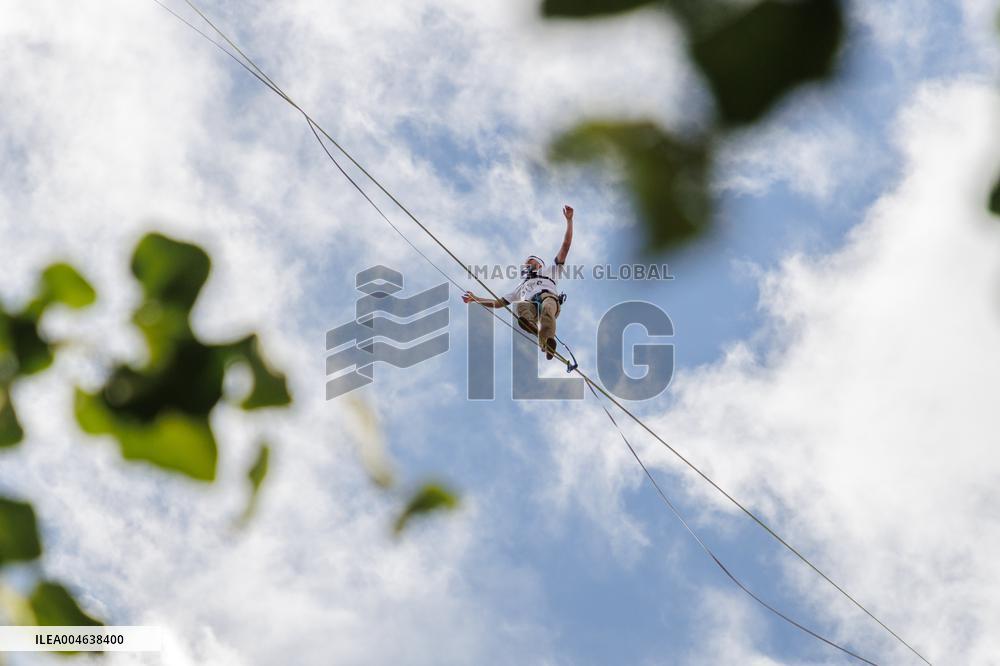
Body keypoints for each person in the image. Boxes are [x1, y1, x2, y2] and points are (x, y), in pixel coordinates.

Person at [463, 205, 574, 360]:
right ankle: (533, 327)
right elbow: (497, 303)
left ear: (539, 264)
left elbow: (566, 246)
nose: (527, 265)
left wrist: (569, 221)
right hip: (531, 306)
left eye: (531, 262)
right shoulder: (520, 288)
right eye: (526, 264)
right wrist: (475, 299)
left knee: (548, 306)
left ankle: (547, 343)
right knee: (520, 304)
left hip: (548, 299)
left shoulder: (550, 271)